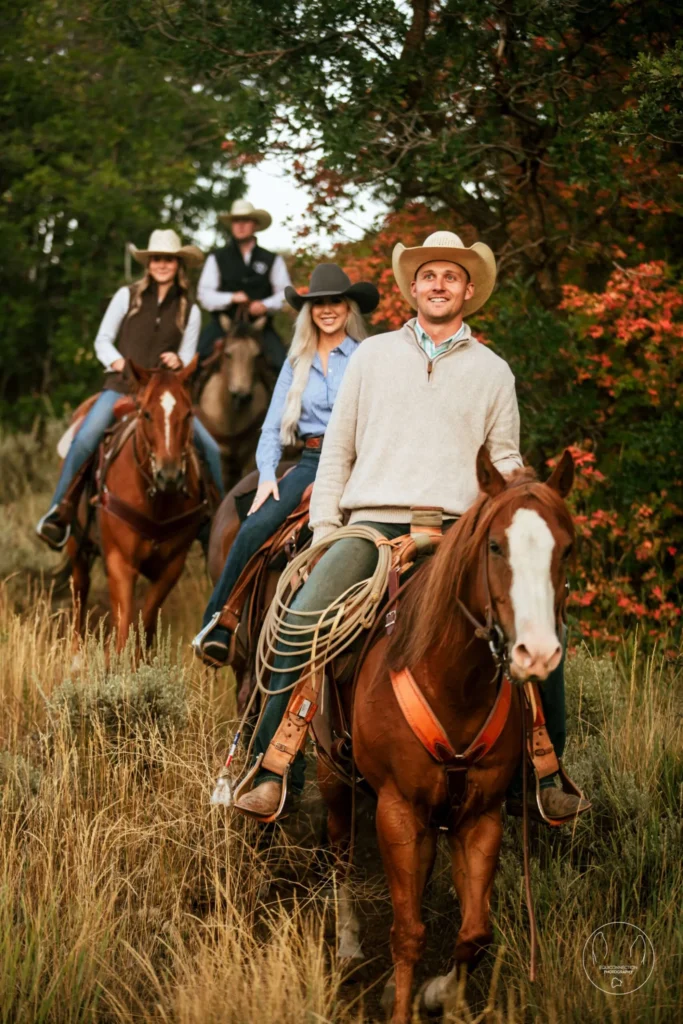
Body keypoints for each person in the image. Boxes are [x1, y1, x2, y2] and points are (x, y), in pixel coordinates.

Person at [233, 230, 591, 823]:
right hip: (374, 523)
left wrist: (527, 489)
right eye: (429, 276)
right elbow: (339, 450)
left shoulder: (494, 371)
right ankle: (272, 765)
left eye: (451, 276)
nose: (439, 284)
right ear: (413, 288)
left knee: (542, 623)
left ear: (468, 289)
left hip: (460, 531)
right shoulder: (371, 356)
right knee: (302, 615)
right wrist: (326, 529)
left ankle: (544, 771)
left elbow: (503, 459)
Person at [192, 264, 380, 666]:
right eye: (318, 304)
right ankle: (219, 622)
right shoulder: (297, 360)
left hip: (361, 461)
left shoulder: (369, 356)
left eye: (334, 302)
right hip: (312, 460)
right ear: (308, 311)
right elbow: (271, 427)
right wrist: (265, 475)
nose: (326, 310)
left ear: (348, 308)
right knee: (257, 523)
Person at [36, 229, 224, 550]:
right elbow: (102, 341)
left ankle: (214, 523)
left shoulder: (189, 310)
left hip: (164, 394)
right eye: (156, 259)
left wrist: (177, 360)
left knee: (211, 449)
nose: (162, 265)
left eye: (168, 259)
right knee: (85, 438)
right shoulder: (128, 296)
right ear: (149, 263)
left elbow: (189, 356)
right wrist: (120, 363)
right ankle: (60, 512)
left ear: (178, 264)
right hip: (122, 387)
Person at [197, 199, 292, 374]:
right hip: (223, 325)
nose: (240, 226)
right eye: (236, 221)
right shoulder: (217, 258)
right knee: (196, 360)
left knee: (283, 366)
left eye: (245, 221)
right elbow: (204, 295)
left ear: (254, 225)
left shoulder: (271, 259)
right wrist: (231, 298)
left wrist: (265, 305)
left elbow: (285, 293)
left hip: (260, 327)